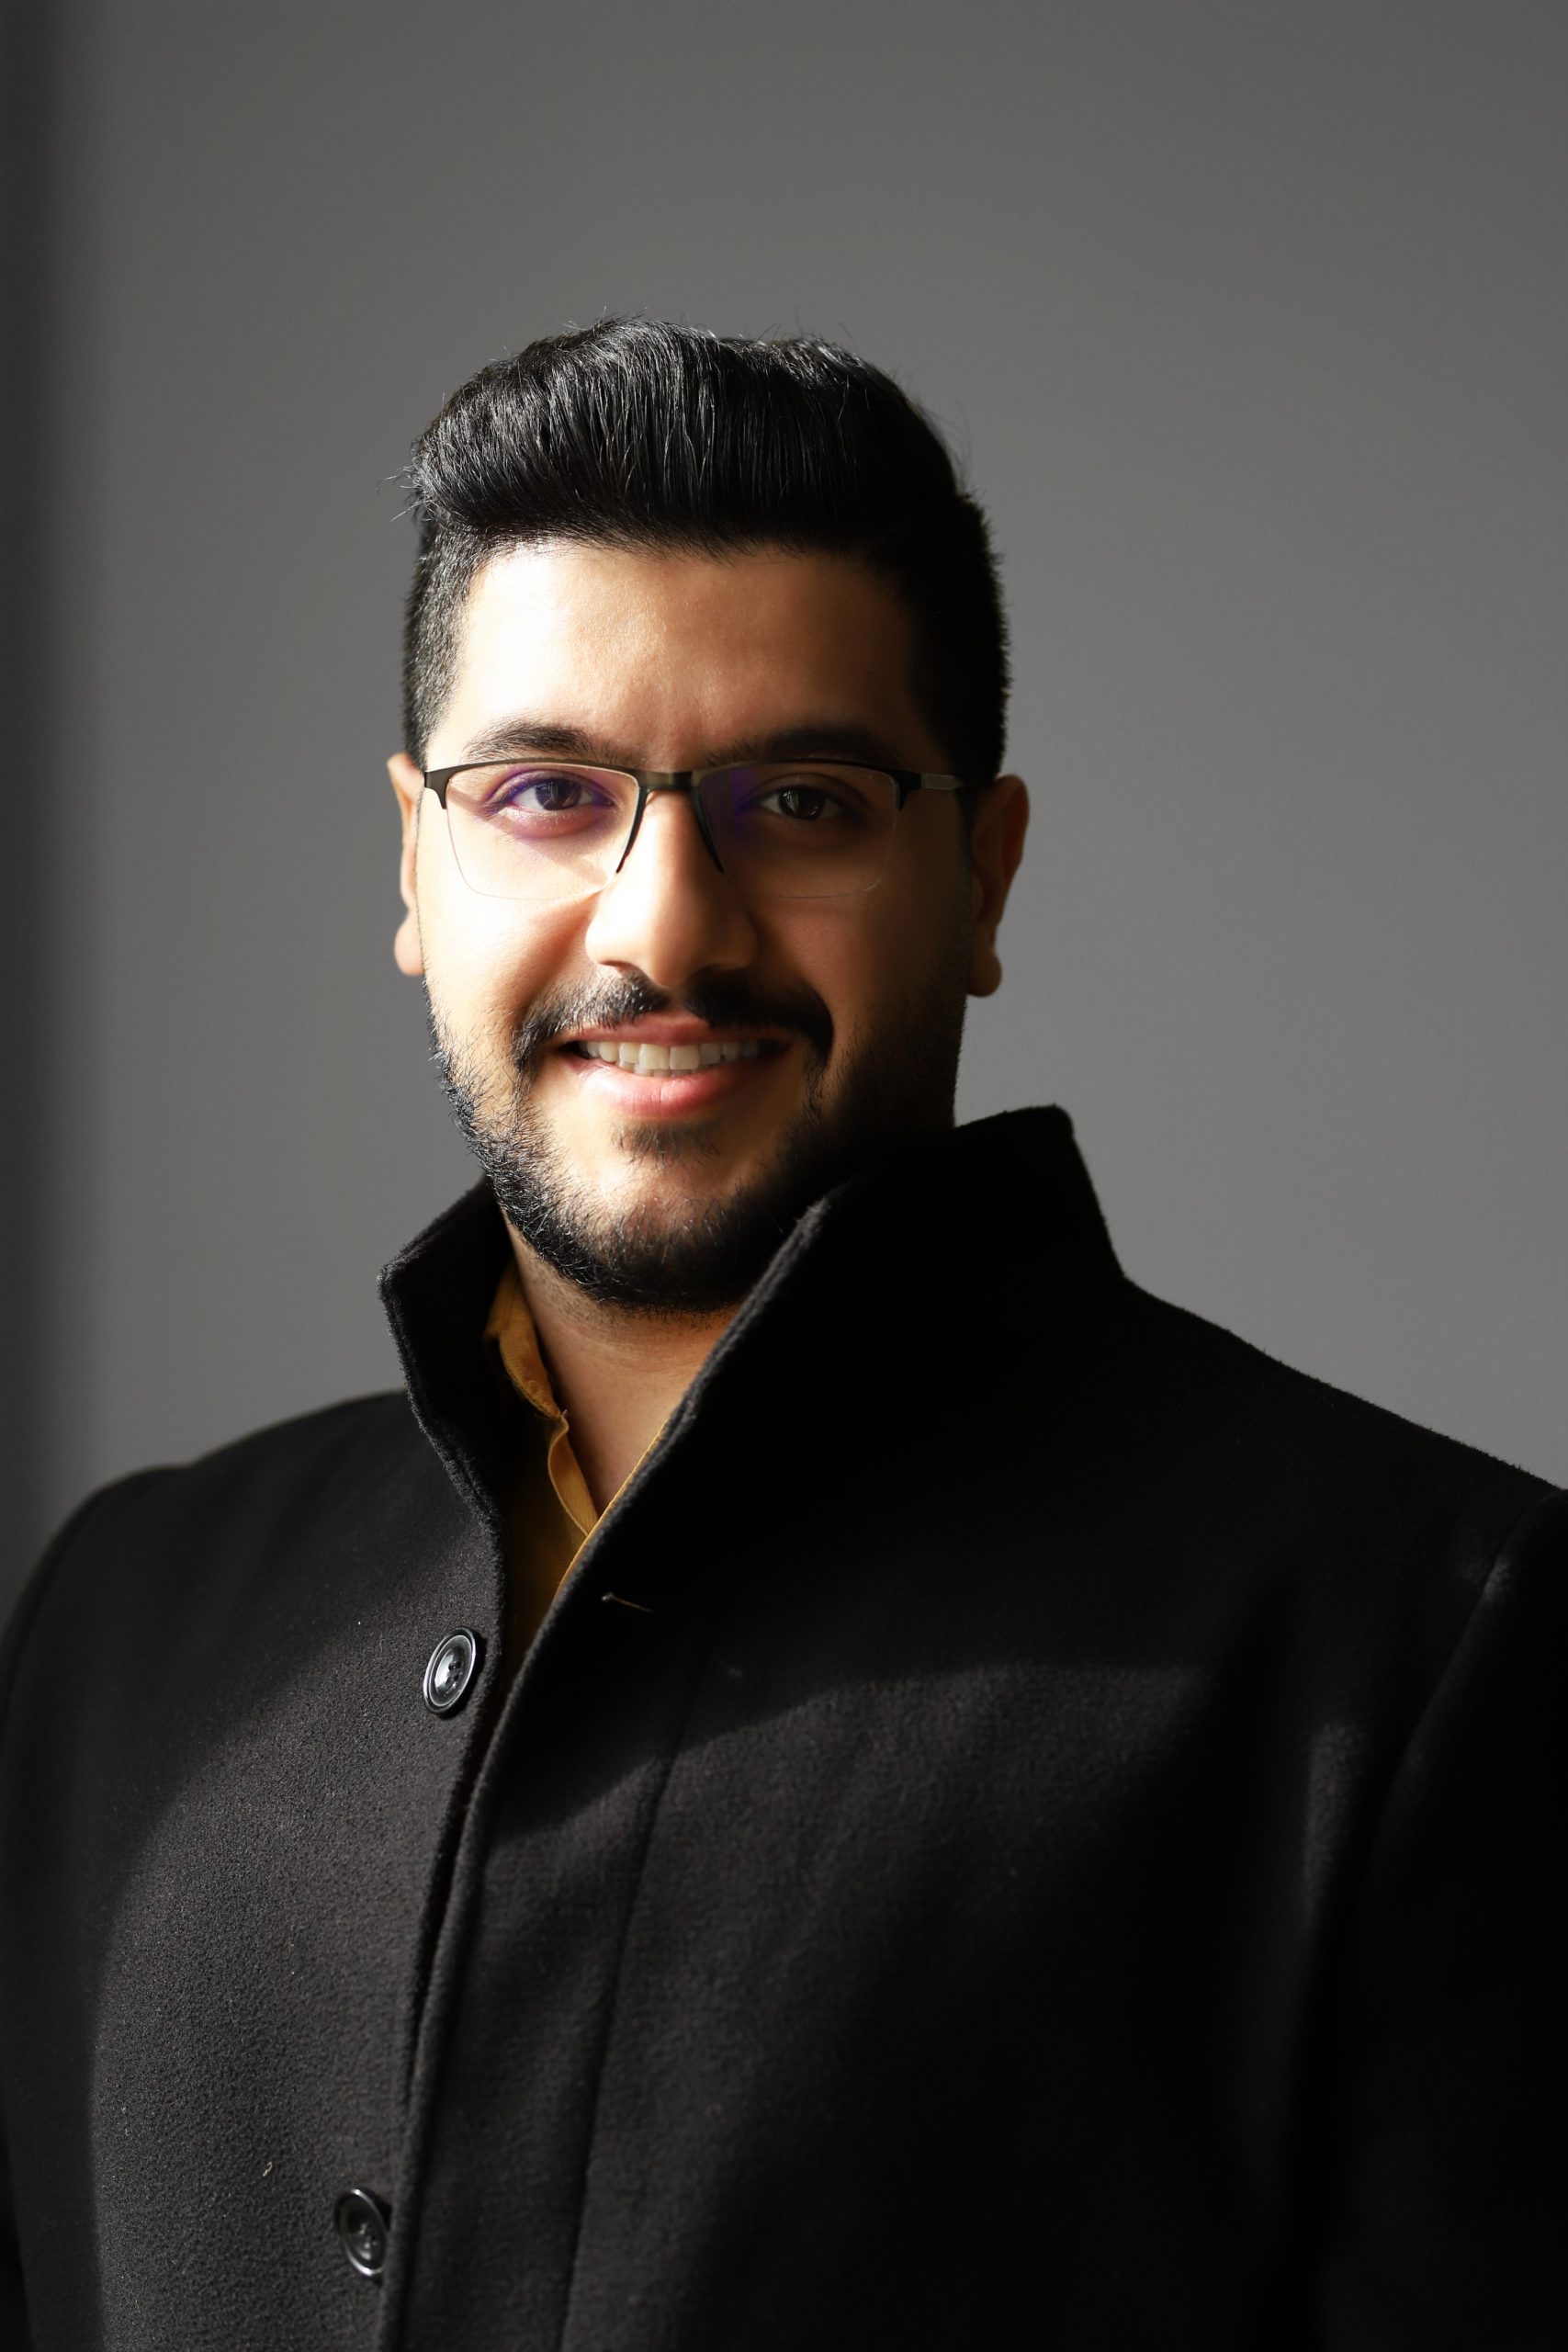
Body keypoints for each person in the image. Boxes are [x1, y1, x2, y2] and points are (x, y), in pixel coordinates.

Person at [0, 319, 1559, 2352]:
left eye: (800, 799)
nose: (665, 924)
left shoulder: (1426, 1646)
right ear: (413, 859)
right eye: (546, 793)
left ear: (980, 876)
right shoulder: (122, 1626)